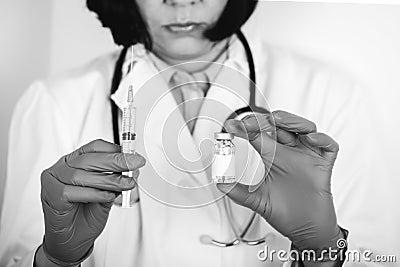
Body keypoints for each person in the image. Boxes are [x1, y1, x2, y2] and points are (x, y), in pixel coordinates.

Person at [0, 0, 395, 266]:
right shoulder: (53, 102)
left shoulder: (333, 94)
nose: (181, 0)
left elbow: (376, 257)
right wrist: (54, 260)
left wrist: (323, 251)